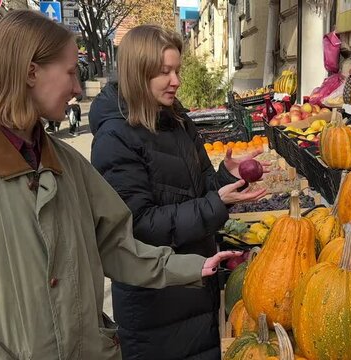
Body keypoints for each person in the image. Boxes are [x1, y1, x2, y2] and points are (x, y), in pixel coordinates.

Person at [0, 10, 241, 359]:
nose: (78, 88)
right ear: (32, 72)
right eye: (71, 72)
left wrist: (190, 267)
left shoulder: (67, 163)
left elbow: (116, 244)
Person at [89, 25, 267, 360]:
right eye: (165, 72)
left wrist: (224, 177)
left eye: (177, 70)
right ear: (138, 74)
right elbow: (138, 226)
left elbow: (196, 194)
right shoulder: (115, 139)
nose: (176, 81)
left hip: (196, 287)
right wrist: (216, 203)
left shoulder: (176, 118)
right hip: (156, 306)